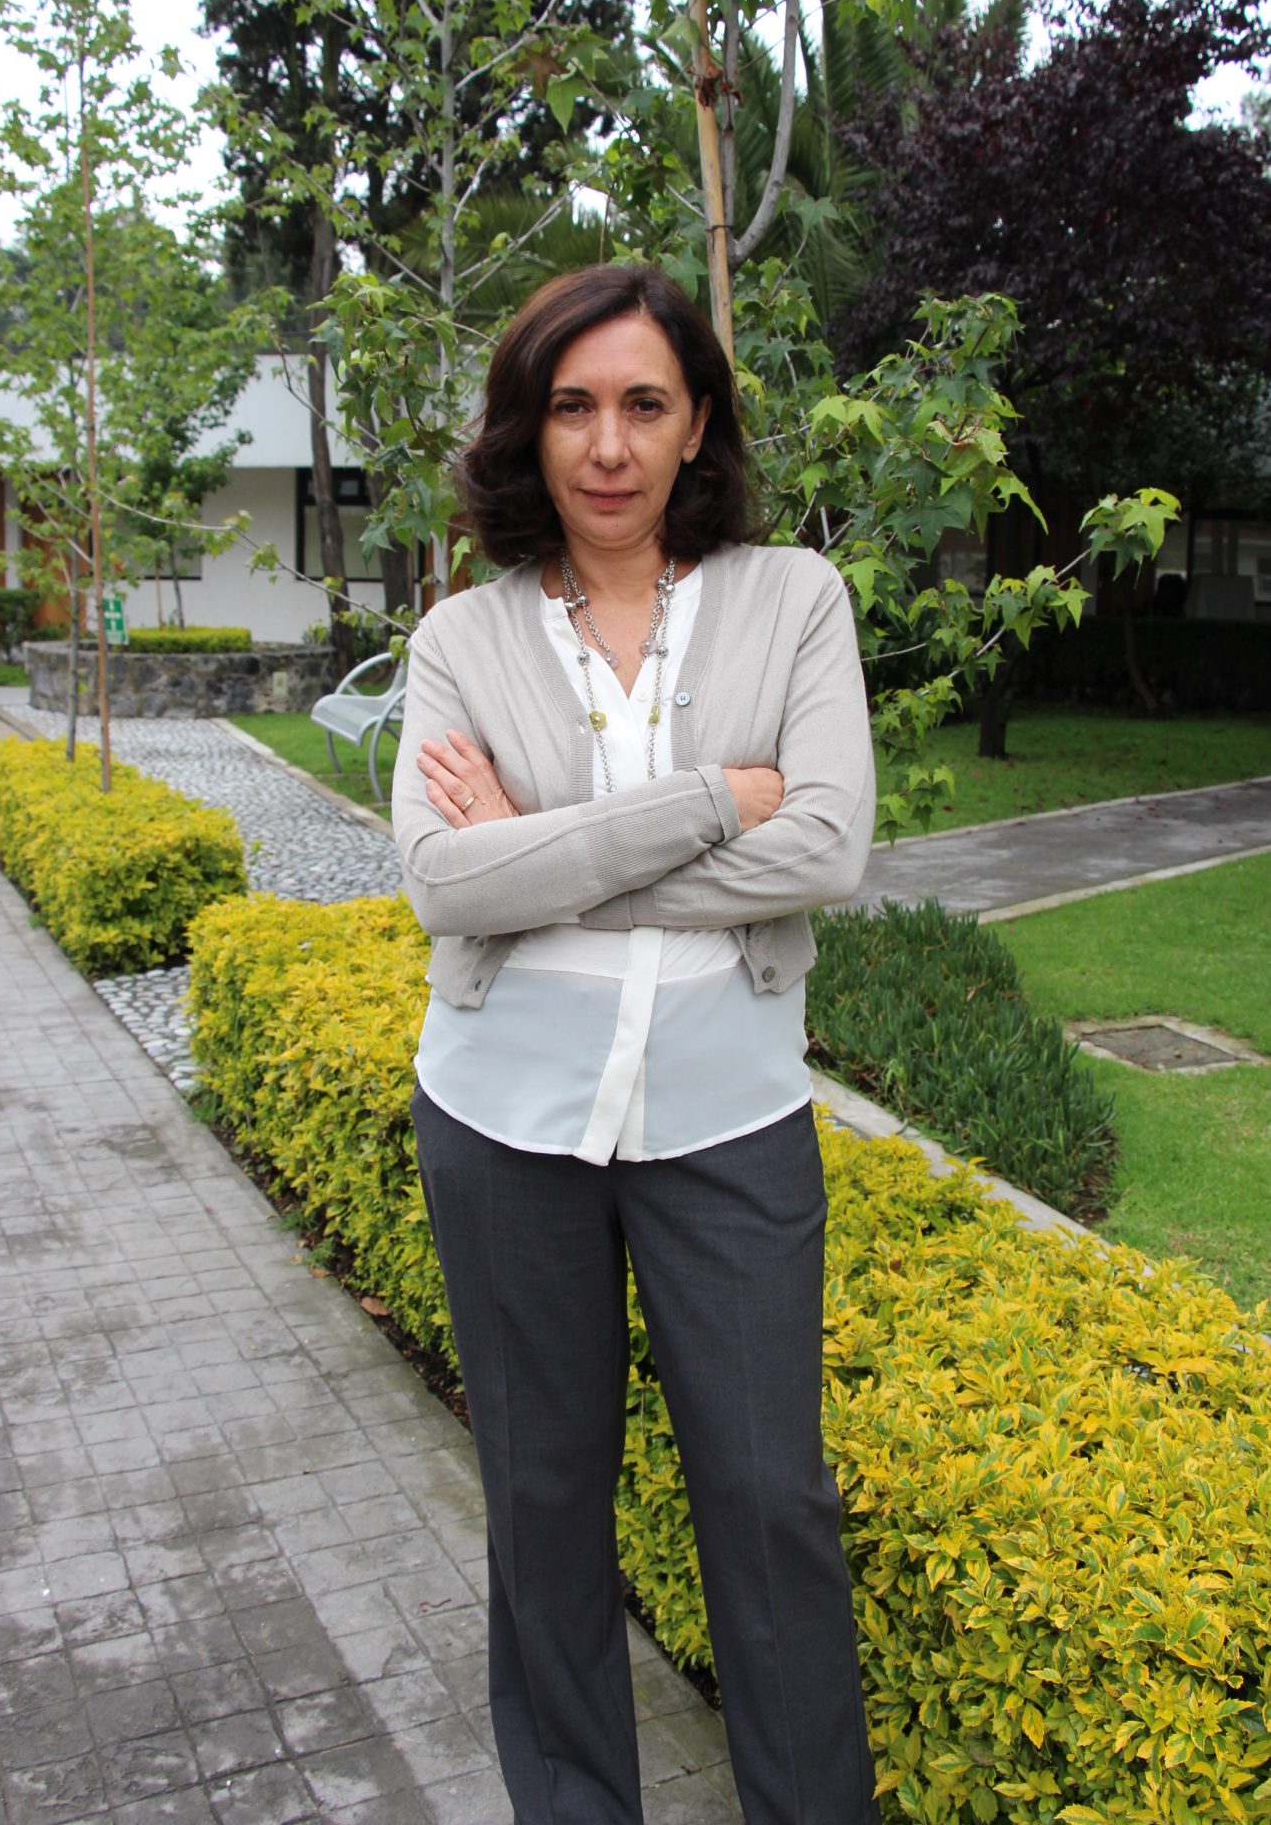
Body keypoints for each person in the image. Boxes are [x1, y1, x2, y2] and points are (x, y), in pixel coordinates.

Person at [392, 264, 881, 1825]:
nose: (607, 445)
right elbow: (444, 883)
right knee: (541, 1501)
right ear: (527, 430)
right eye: (572, 406)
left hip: (728, 1121)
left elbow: (824, 849)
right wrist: (706, 803)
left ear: (697, 427)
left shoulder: (792, 599)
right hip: (500, 1122)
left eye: (644, 405)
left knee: (768, 1501)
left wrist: (543, 851)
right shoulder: (460, 638)